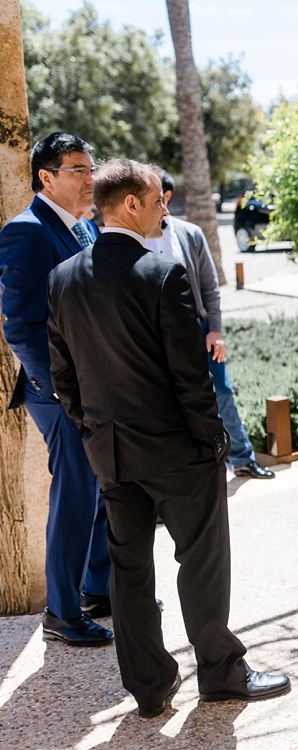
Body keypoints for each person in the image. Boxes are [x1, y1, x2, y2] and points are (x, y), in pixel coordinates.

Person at [47, 158, 291, 717]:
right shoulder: (162, 274)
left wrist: (91, 434)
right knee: (202, 561)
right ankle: (221, 672)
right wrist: (213, 443)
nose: (166, 207)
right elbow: (190, 376)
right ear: (130, 204)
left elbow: (64, 378)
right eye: (158, 198)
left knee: (129, 573)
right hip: (177, 452)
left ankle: (150, 686)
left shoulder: (62, 278)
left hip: (109, 455)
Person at [2, 131, 114, 645]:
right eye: (78, 170)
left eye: (92, 169)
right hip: (57, 393)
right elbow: (20, 326)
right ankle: (63, 613)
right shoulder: (25, 231)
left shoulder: (86, 230)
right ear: (46, 177)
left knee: (97, 492)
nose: (91, 179)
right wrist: (65, 390)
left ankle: (99, 589)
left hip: (95, 387)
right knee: (75, 495)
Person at [151, 171, 274, 482]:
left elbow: (210, 285)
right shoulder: (136, 238)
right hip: (157, 334)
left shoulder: (190, 233)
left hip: (199, 327)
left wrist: (215, 329)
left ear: (166, 196)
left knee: (222, 391)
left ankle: (243, 458)